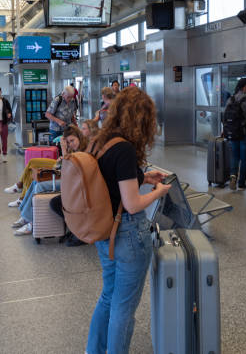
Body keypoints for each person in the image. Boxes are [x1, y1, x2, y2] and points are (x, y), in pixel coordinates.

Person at [85, 87, 170, 354]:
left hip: (103, 231)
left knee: (108, 296)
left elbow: (109, 183)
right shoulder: (124, 149)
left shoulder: (100, 141)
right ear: (141, 119)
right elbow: (132, 204)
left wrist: (144, 178)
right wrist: (158, 193)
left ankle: (94, 350)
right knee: (124, 306)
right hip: (127, 236)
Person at [13, 125, 88, 243]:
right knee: (34, 183)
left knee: (40, 186)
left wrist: (64, 153)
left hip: (73, 183)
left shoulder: (83, 151)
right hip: (68, 180)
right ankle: (25, 216)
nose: (71, 143)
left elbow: (70, 170)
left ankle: (31, 222)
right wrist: (63, 158)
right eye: (68, 142)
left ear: (79, 137)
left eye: (72, 140)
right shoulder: (75, 149)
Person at [222, 78, 246, 190]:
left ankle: (233, 177)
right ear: (245, 87)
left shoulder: (230, 99)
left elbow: (225, 117)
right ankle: (241, 183)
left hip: (232, 133)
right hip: (245, 134)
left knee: (234, 157)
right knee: (244, 159)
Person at [0, 86, 12, 161]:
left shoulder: (5, 101)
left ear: (1, 92)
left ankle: (4, 154)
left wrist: (9, 114)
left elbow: (9, 110)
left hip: (3, 122)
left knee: (4, 139)